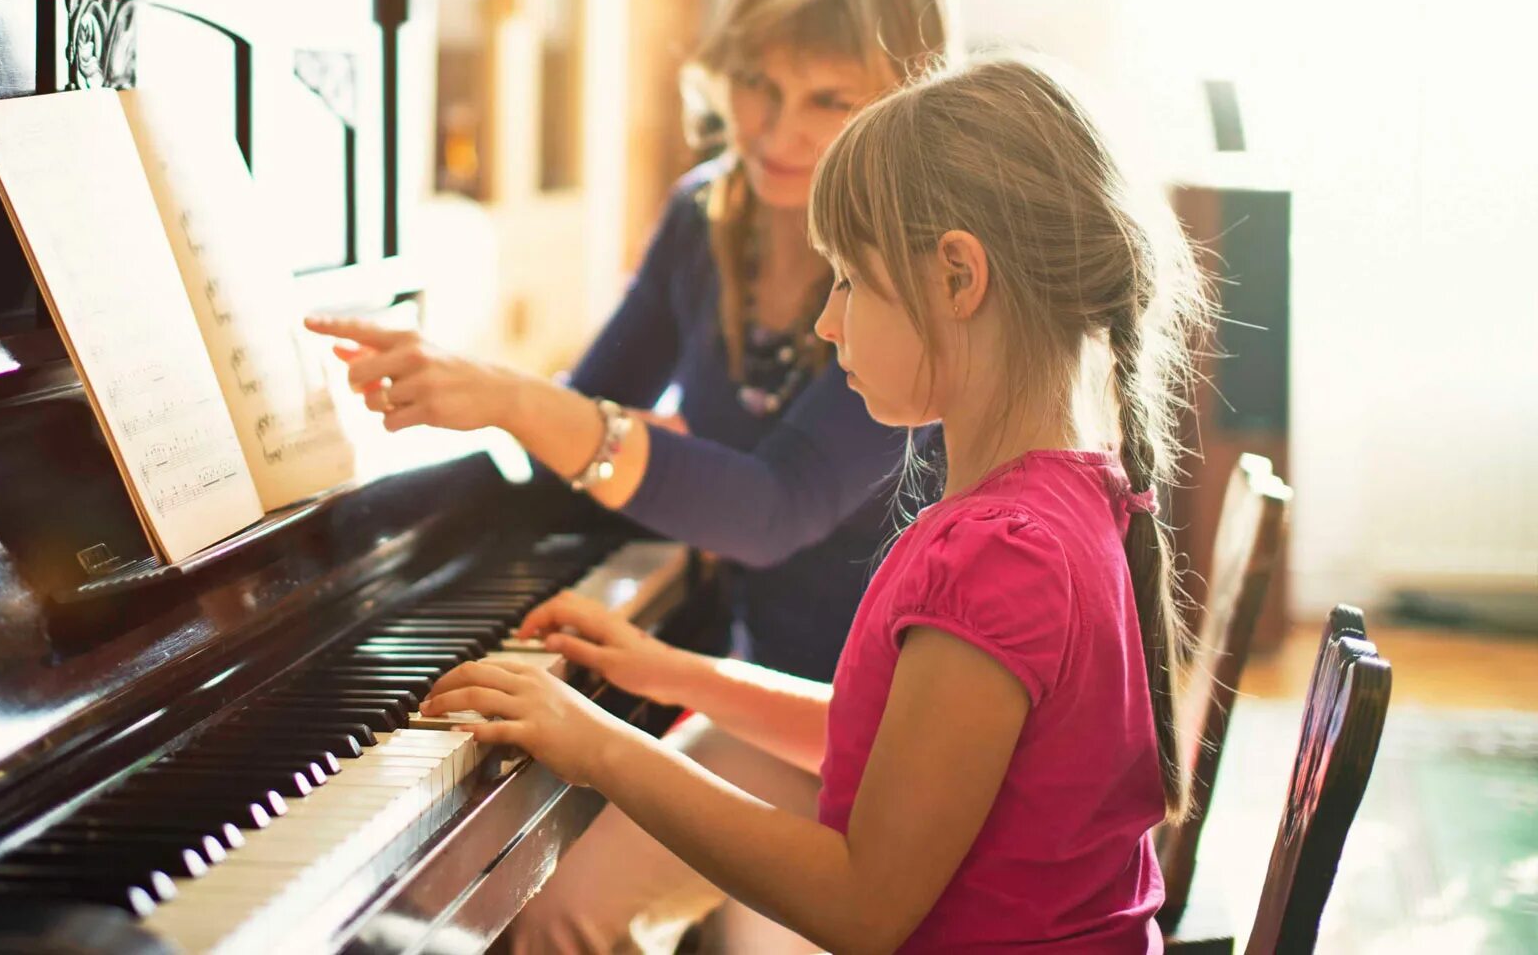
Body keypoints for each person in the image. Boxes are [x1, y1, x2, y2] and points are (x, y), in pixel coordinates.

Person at [421, 55, 1206, 953]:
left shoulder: (1000, 554)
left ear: (958, 277)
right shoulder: (1067, 496)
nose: (828, 322)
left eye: (849, 280)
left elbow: (860, 907)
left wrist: (596, 743)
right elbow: (892, 749)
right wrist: (677, 673)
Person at [306, 0, 957, 951]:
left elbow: (767, 511)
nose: (774, 130)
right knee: (545, 897)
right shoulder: (708, 216)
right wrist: (377, 523)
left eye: (828, 100)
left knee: (593, 906)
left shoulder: (910, 276)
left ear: (905, 101)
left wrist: (518, 399)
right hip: (765, 694)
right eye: (757, 83)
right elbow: (591, 410)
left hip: (881, 737)